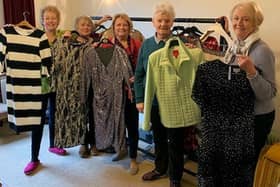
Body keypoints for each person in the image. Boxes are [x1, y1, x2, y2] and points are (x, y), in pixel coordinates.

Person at [134, 2, 183, 187]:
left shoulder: (179, 44)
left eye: (167, 20)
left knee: (175, 141)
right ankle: (160, 168)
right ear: (153, 22)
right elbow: (139, 74)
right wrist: (139, 99)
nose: (163, 24)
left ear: (172, 22)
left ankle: (175, 177)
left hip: (174, 103)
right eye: (160, 20)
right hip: (153, 102)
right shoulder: (146, 45)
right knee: (159, 138)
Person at [229, 1, 276, 167]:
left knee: (248, 164)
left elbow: (270, 93)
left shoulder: (262, 50)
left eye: (245, 19)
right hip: (240, 114)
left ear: (256, 23)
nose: (239, 23)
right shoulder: (236, 46)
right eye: (236, 18)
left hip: (257, 118)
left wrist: (251, 72)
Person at [23, 5, 66, 175]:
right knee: (38, 120)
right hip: (40, 84)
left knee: (55, 116)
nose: (50, 21)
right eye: (47, 18)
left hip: (58, 83)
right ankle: (34, 158)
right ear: (42, 20)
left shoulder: (63, 36)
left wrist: (99, 21)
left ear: (58, 20)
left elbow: (84, 31)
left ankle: (53, 145)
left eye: (53, 18)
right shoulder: (36, 37)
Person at [109, 13, 142, 174]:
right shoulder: (107, 45)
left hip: (132, 92)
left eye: (124, 25)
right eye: (118, 25)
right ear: (113, 28)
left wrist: (137, 76)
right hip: (115, 93)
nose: (121, 27)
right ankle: (121, 150)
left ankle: (134, 158)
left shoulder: (136, 44)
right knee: (118, 124)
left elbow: (143, 65)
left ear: (129, 27)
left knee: (132, 125)